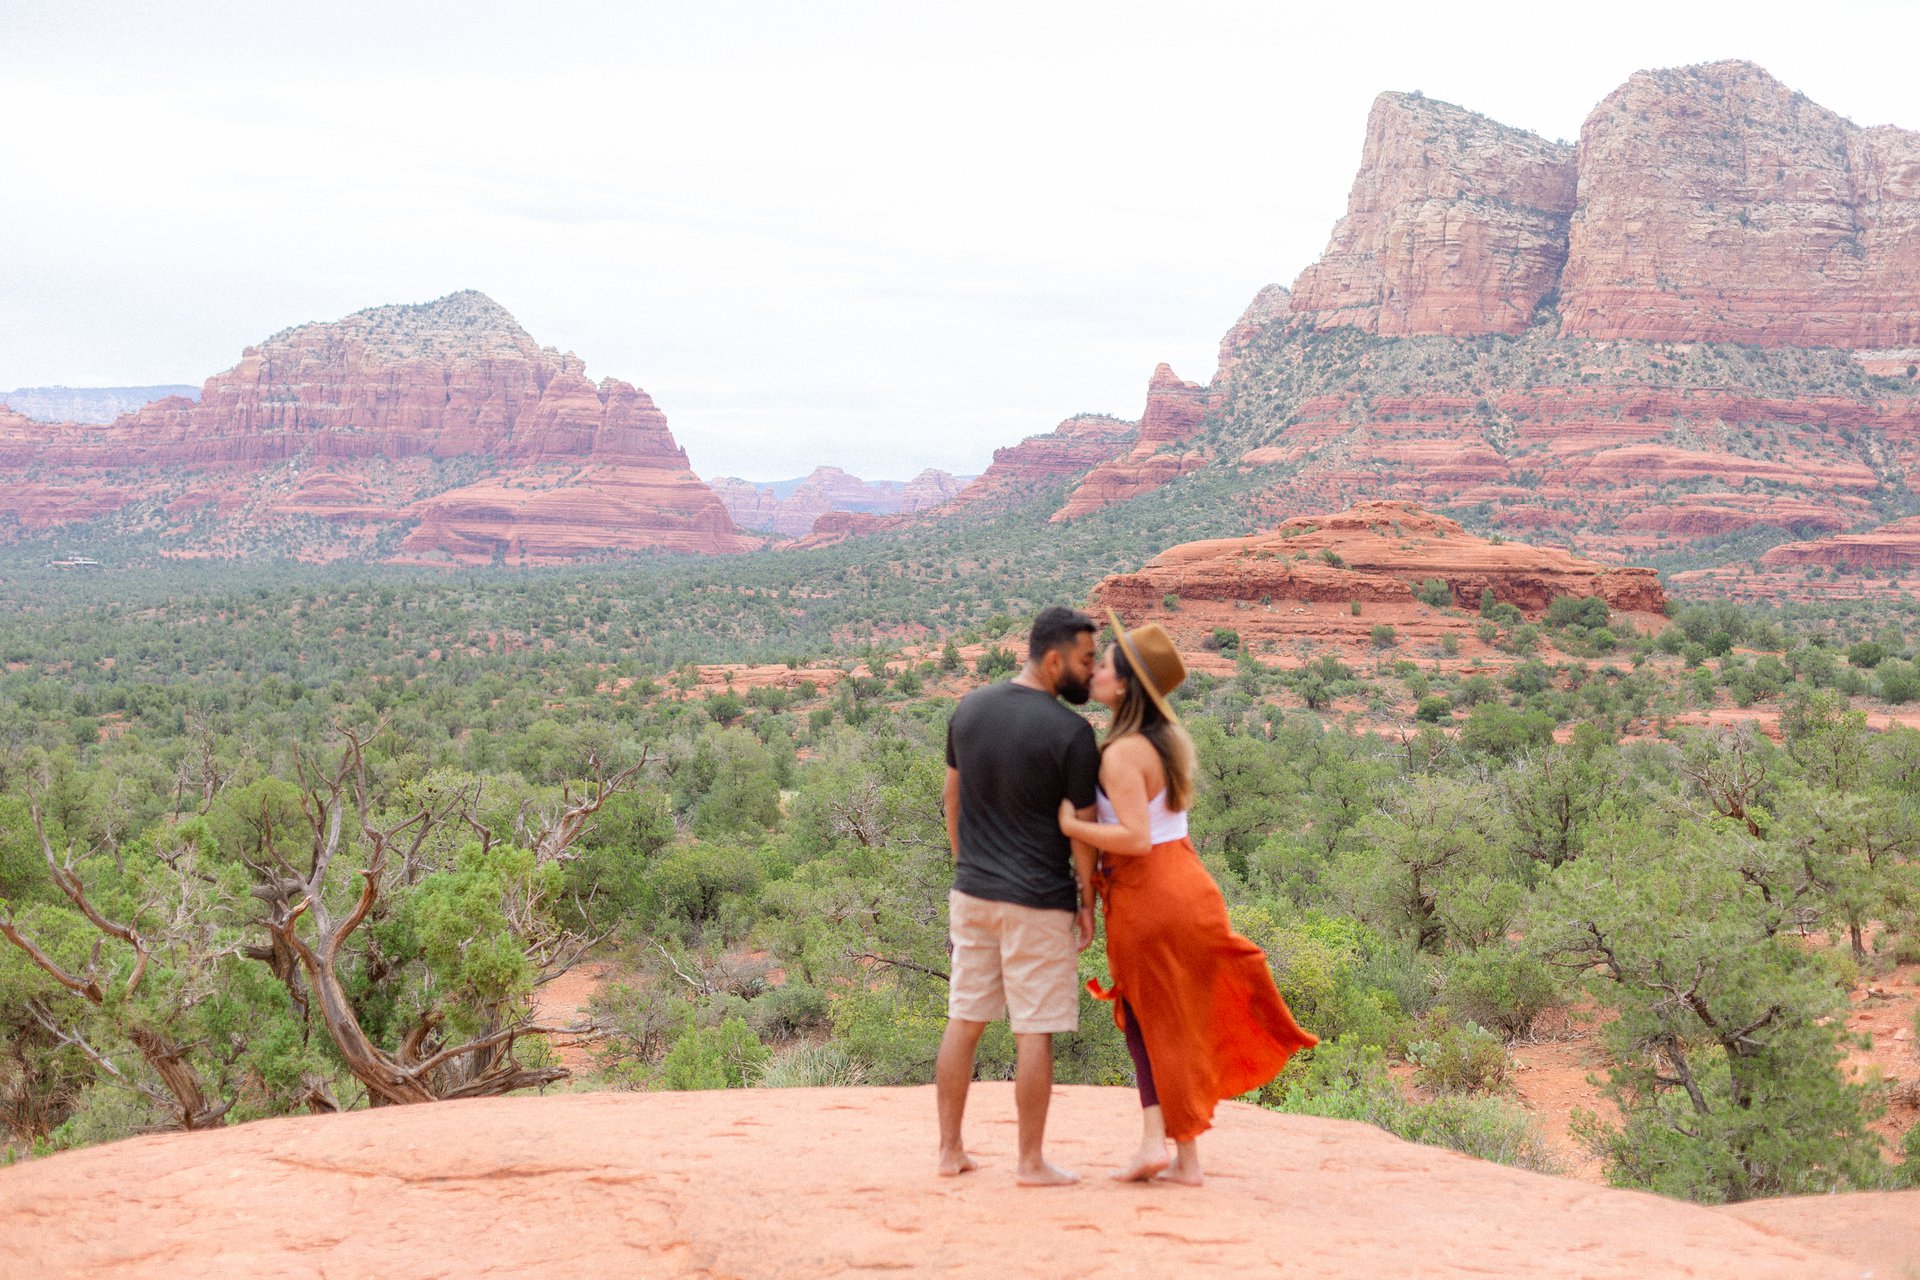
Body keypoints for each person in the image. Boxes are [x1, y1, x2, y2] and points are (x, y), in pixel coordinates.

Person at [1058, 610, 1316, 1186]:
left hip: (1150, 895)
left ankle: (1158, 1143)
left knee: (1149, 1019)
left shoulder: (1122, 752)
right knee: (1169, 1019)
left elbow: (1133, 838)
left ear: (1124, 684)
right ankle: (1185, 1160)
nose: (1095, 671)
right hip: (1188, 886)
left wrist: (1071, 827)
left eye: (1104, 665)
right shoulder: (1166, 740)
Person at [937, 605, 1100, 1186]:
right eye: (1085, 660)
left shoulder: (969, 708)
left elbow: (951, 797)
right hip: (1038, 899)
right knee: (1035, 1029)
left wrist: (966, 864)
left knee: (965, 1020)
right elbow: (1081, 828)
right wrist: (1088, 901)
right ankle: (1030, 1163)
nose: (1091, 670)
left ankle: (949, 1151)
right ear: (1053, 659)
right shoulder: (1073, 734)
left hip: (973, 893)